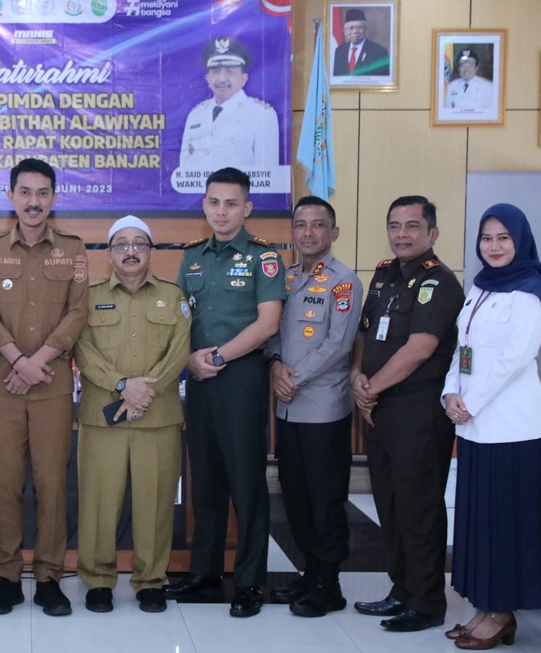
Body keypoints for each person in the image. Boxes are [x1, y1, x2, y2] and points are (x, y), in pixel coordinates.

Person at [165, 166, 285, 618]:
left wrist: (217, 357)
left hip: (240, 379)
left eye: (231, 203)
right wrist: (188, 360)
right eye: (214, 202)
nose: (221, 211)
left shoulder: (262, 257)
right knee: (206, 480)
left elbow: (268, 323)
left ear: (246, 208)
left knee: (246, 483)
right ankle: (205, 573)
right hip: (199, 380)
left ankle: (250, 581)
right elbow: (180, 321)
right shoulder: (192, 258)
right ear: (204, 205)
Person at [0, 158, 89, 617]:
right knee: (4, 485)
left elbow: (78, 312)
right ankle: (6, 578)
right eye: (25, 192)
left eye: (43, 193)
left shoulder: (73, 249)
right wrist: (19, 361)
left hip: (52, 383)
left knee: (51, 484)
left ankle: (48, 578)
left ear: (54, 198)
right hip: (4, 383)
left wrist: (36, 362)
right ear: (11, 197)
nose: (34, 202)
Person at [350, 195, 463, 632]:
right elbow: (364, 334)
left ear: (432, 233)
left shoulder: (439, 282)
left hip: (418, 410)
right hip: (380, 408)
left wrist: (370, 389)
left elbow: (420, 348)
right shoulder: (383, 276)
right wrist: (358, 377)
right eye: (395, 225)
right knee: (391, 504)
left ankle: (428, 601)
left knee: (419, 508)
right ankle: (402, 589)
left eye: (412, 226)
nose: (402, 234)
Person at [73, 216, 190, 614]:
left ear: (150, 251)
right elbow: (82, 349)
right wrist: (123, 385)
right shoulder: (87, 296)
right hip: (103, 418)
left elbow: (179, 350)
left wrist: (143, 391)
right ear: (109, 253)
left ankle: (150, 580)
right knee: (98, 501)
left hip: (157, 416)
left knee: (155, 502)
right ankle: (97, 580)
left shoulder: (173, 296)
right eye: (121, 244)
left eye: (139, 244)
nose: (130, 251)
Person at [441, 204, 541, 650]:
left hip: (512, 431)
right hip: (475, 429)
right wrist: (450, 394)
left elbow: (515, 359)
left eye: (503, 238)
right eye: (487, 238)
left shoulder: (530, 290)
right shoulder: (480, 288)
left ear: (520, 241)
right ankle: (484, 606)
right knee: (478, 522)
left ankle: (501, 613)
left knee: (504, 526)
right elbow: (462, 349)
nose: (494, 246)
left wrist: (471, 403)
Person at [266, 196, 362, 617]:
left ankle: (329, 582)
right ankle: (310, 572)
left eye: (318, 225)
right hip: (287, 408)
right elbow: (272, 330)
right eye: (301, 224)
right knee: (296, 494)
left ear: (333, 232)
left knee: (325, 497)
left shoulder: (344, 282)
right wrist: (274, 365)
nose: (308, 232)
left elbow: (339, 344)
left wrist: (293, 377)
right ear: (292, 232)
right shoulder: (286, 279)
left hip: (323, 407)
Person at [179, 37, 279, 174]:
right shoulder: (196, 115)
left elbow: (267, 175)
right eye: (215, 71)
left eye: (230, 71)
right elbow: (185, 170)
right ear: (208, 78)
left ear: (243, 79)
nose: (222, 79)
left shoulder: (261, 115)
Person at [331, 9, 390, 76]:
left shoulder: (379, 52)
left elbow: (384, 79)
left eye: (359, 27)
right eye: (351, 28)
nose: (355, 31)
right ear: (344, 31)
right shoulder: (339, 51)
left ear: (365, 30)